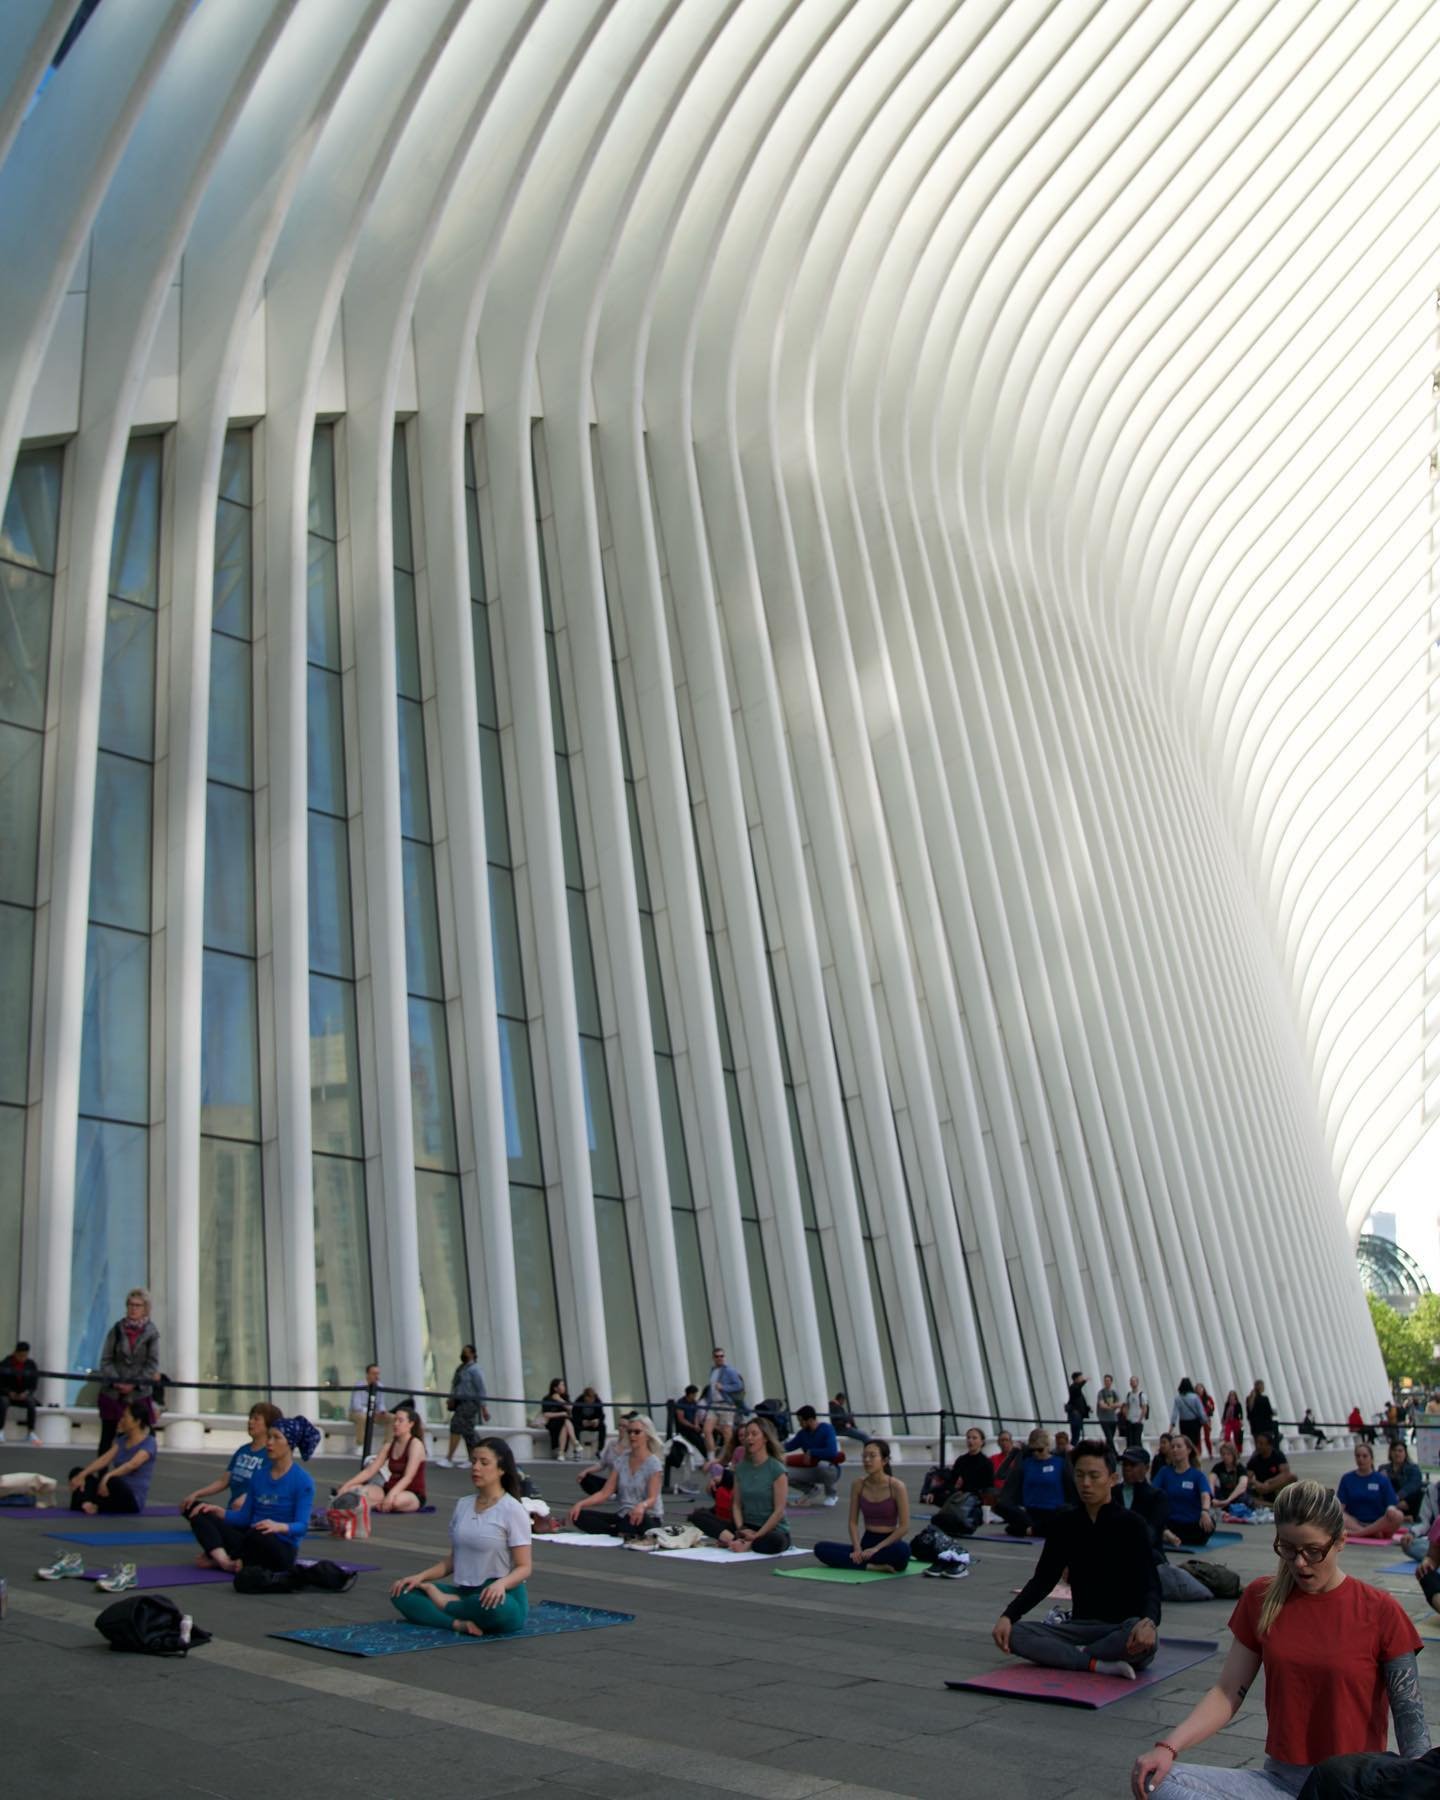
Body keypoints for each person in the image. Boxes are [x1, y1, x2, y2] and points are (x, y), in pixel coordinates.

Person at [1128, 1480, 1429, 1796]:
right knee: (1159, 1782)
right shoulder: (1262, 1597)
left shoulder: (1381, 1611)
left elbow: (1411, 1721)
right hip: (1281, 1783)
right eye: (1287, 1548)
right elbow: (1228, 1692)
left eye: (1313, 1551)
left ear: (1340, 1541)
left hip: (1349, 1788)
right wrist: (1168, 1747)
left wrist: (1417, 1787)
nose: (1299, 1563)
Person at [995, 1440, 1160, 1678]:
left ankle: (1070, 1655)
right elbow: (1043, 1579)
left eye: (1094, 1476)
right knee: (1016, 1633)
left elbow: (1151, 1585)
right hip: (1079, 1627)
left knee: (1142, 1640)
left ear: (1112, 1479)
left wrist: (1149, 1623)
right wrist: (1008, 1616)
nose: (1086, 1483)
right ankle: (1095, 1663)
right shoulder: (1065, 1523)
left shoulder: (1132, 1525)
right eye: (1080, 1475)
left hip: (1121, 1628)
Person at [390, 1437, 531, 1636]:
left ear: (501, 1469)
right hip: (465, 1594)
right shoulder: (463, 1504)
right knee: (402, 1591)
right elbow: (453, 1560)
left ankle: (445, 1605)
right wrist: (419, 1577)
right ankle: (457, 1623)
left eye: (484, 1463)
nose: (476, 1468)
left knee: (498, 1608)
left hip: (500, 1595)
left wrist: (501, 1584)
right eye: (473, 1461)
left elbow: (524, 1567)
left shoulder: (513, 1510)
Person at [187, 1420, 316, 1572]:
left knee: (258, 1533)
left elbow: (302, 1526)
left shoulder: (303, 1480)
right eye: (268, 1437)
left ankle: (227, 1559)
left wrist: (277, 1527)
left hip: (279, 1547)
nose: (269, 1442)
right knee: (199, 1512)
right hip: (251, 1538)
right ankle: (224, 1562)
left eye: (276, 1437)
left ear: (290, 1444)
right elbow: (245, 1518)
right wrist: (220, 1512)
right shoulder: (260, 1475)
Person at [1118, 1444, 1214, 1604]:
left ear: (1146, 1468)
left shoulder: (1157, 1496)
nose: (1127, 1469)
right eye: (1125, 1465)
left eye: (1133, 1465)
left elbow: (1151, 1533)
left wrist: (1205, 1511)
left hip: (1147, 1554)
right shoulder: (1114, 1492)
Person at [691, 1416, 790, 1555]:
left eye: (754, 1434)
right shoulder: (741, 1468)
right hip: (746, 1525)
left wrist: (756, 1535)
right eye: (747, 1434)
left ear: (766, 1438)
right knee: (698, 1516)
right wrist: (741, 1529)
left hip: (772, 1530)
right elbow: (736, 1505)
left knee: (776, 1542)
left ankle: (746, 1543)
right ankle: (737, 1540)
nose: (749, 1438)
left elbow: (779, 1511)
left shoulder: (777, 1469)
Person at [815, 1438, 910, 1571]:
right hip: (867, 1541)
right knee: (821, 1548)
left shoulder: (897, 1486)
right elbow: (853, 1522)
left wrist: (876, 1549)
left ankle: (860, 1563)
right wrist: (857, 1548)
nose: (867, 1460)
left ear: (884, 1460)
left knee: (903, 1551)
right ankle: (871, 1566)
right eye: (864, 1456)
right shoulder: (858, 1484)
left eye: (872, 1456)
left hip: (888, 1544)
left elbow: (904, 1527)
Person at [569, 1415, 664, 1538]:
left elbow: (652, 1499)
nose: (632, 1436)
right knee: (579, 1516)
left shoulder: (654, 1463)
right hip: (623, 1515)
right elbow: (605, 1493)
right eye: (629, 1432)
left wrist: (641, 1506)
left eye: (637, 1432)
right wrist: (581, 1504)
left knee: (634, 1520)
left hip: (647, 1516)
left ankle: (621, 1531)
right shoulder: (622, 1460)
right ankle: (617, 1532)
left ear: (647, 1435)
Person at [180, 1402, 283, 1514]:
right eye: (250, 1418)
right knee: (191, 1507)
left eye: (256, 1419)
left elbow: (267, 1489)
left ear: (268, 1425)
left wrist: (247, 1499)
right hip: (233, 1510)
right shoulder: (243, 1450)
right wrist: (196, 1494)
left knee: (206, 1518)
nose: (250, 1422)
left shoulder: (271, 1455)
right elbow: (224, 1481)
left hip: (252, 1512)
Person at [94, 1287, 159, 1457]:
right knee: (107, 1438)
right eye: (130, 1304)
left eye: (138, 1305)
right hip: (113, 1393)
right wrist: (117, 1381)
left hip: (138, 1394)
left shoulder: (151, 1333)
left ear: (145, 1308)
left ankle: (133, 1475)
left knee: (144, 1436)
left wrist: (133, 1384)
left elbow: (152, 1364)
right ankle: (100, 1477)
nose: (133, 1309)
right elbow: (106, 1360)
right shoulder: (116, 1330)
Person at [333, 1403, 428, 1514]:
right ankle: (375, 1503)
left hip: (411, 1493)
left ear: (411, 1424)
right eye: (395, 1420)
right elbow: (370, 1471)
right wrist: (347, 1485)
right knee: (355, 1490)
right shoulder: (389, 1445)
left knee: (396, 1501)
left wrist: (391, 1496)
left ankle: (375, 1503)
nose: (396, 1424)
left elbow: (408, 1477)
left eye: (400, 1421)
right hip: (388, 1489)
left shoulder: (415, 1445)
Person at [68, 1398, 156, 1513]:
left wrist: (108, 1476)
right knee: (77, 1472)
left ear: (137, 1421)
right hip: (110, 1489)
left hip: (130, 1497)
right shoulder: (122, 1440)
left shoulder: (149, 1442)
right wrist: (83, 1474)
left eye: (125, 1417)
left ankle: (92, 1504)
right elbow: (105, 1459)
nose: (122, 1420)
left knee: (113, 1482)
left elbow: (132, 1465)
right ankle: (87, 1503)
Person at [994, 1427, 1077, 1537]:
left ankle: (1029, 1530)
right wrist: (1013, 1453)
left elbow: (1076, 1480)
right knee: (1000, 1505)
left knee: (1067, 1513)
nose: (1036, 1453)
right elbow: (1001, 1474)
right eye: (1033, 1450)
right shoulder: (1026, 1462)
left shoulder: (1060, 1462)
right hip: (1031, 1511)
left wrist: (1075, 1453)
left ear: (1048, 1447)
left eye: (1040, 1449)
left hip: (1054, 1511)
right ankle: (1035, 1529)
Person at [933, 1425, 997, 1533]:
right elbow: (951, 1480)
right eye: (968, 1438)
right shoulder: (962, 1460)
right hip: (962, 1495)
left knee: (962, 1518)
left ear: (982, 1442)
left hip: (975, 1499)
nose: (970, 1441)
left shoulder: (986, 1462)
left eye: (974, 1438)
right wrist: (933, 1492)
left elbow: (988, 1486)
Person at [1154, 1432, 1215, 1546]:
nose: (1175, 1450)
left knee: (1210, 1524)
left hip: (1191, 1524)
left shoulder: (1197, 1475)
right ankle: (1166, 1534)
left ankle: (1169, 1537)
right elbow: (1152, 1493)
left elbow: (1205, 1495)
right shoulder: (1164, 1472)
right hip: (1170, 1522)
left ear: (1188, 1450)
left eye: (1179, 1446)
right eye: (1172, 1447)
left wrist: (1205, 1511)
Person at [1336, 1442, 1404, 1540]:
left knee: (1398, 1515)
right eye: (1358, 1456)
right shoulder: (1347, 1478)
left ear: (1371, 1458)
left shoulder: (1381, 1479)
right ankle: (1368, 1533)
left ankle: (1359, 1533)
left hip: (1379, 1522)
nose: (1361, 1459)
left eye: (1364, 1456)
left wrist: (1391, 1510)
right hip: (1354, 1522)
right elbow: (1341, 1505)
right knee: (1336, 1514)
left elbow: (1391, 1503)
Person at [784, 1403, 843, 1506]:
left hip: (830, 1470)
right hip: (812, 1470)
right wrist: (769, 1446)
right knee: (784, 1473)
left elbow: (832, 1452)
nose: (800, 1424)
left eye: (801, 1421)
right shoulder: (802, 1434)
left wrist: (811, 1451)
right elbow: (788, 1447)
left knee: (823, 1465)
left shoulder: (827, 1429)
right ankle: (811, 1490)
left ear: (810, 1420)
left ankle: (831, 1495)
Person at [439, 1345, 488, 1467]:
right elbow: (456, 1386)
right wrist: (451, 1398)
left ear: (472, 1354)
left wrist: (484, 1408)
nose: (463, 1354)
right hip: (460, 1402)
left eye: (465, 1352)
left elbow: (481, 1389)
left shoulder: (475, 1370)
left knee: (456, 1425)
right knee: (468, 1431)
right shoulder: (461, 1369)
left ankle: (449, 1458)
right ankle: (475, 1458)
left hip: (470, 1402)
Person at [701, 1347, 746, 1454]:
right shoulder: (713, 1370)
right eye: (717, 1356)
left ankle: (728, 1458)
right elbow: (711, 1388)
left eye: (722, 1356)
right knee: (707, 1430)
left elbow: (739, 1385)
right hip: (714, 1404)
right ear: (713, 1358)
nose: (720, 1358)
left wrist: (724, 1387)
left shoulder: (729, 1370)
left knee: (727, 1432)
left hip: (726, 1404)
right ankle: (712, 1456)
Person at [663, 1385, 706, 1492]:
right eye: (694, 1394)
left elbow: (695, 1415)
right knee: (697, 1441)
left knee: (700, 1439)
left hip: (692, 1428)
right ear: (689, 1394)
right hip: (684, 1429)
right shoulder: (681, 1403)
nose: (695, 1396)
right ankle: (706, 1459)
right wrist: (692, 1426)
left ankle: (706, 1458)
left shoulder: (694, 1403)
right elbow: (681, 1419)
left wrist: (696, 1425)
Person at [0, 1339, 40, 1443]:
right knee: (3, 1402)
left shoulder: (31, 1365)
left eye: (25, 1355)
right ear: (15, 1353)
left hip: (23, 1395)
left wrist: (26, 1393)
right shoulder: (6, 1363)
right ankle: (0, 1430)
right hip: (8, 1394)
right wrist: (9, 1392)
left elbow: (33, 1384)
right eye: (20, 1355)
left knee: (31, 1402)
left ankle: (30, 1432)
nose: (22, 1358)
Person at [348, 1363, 390, 1456]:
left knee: (392, 1417)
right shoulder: (360, 1385)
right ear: (368, 1374)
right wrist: (370, 1411)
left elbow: (381, 1403)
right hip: (357, 1413)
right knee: (363, 1417)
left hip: (373, 1413)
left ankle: (387, 1447)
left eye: (378, 1374)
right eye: (374, 1373)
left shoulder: (380, 1386)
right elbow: (356, 1406)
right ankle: (360, 1445)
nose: (377, 1376)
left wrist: (382, 1411)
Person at [1248, 1432, 1295, 1505]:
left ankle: (1272, 1502)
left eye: (1261, 1444)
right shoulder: (1254, 1459)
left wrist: (1270, 1482)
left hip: (1276, 1486)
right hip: (1261, 1487)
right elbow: (1248, 1477)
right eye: (1257, 1443)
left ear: (1269, 1445)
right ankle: (1271, 1505)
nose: (1258, 1446)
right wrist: (1256, 1483)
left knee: (1292, 1476)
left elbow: (1286, 1473)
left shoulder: (1278, 1455)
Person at [1211, 1439, 1252, 1518]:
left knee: (1243, 1497)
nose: (1225, 1457)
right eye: (1223, 1454)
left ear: (1233, 1455)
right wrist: (1211, 1498)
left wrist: (1228, 1500)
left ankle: (1228, 1507)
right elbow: (1211, 1482)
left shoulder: (1240, 1468)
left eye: (1228, 1454)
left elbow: (1242, 1486)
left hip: (1236, 1495)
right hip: (1223, 1494)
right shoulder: (1218, 1467)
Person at [1385, 1442, 1423, 1522]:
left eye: (1400, 1451)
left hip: (1405, 1500)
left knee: (1417, 1492)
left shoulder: (1413, 1468)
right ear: (1390, 1452)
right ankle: (1401, 1517)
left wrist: (1397, 1497)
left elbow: (1413, 1486)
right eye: (1394, 1450)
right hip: (1389, 1500)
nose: (1397, 1453)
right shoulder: (1383, 1469)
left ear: (1405, 1453)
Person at [540, 1377, 577, 1459]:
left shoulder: (565, 1397)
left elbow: (571, 1408)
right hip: (552, 1422)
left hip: (564, 1422)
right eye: (562, 1385)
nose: (564, 1387)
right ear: (555, 1388)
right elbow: (546, 1414)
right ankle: (574, 1442)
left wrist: (560, 1400)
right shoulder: (547, 1399)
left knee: (565, 1422)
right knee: (565, 1421)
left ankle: (561, 1452)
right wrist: (562, 1413)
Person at [1172, 1378, 1208, 1453]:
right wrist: (1205, 1420)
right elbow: (1201, 1411)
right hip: (1194, 1423)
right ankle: (1195, 1455)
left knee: (1185, 1441)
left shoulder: (1178, 1398)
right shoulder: (1195, 1397)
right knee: (1195, 1441)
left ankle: (1187, 1455)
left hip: (1183, 1423)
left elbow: (1175, 1413)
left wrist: (1172, 1423)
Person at [571, 1386, 607, 1456]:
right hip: (582, 1423)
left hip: (593, 1423)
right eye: (587, 1400)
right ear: (585, 1397)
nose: (590, 1402)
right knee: (575, 1427)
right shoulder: (579, 1401)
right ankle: (577, 1450)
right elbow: (574, 1415)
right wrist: (581, 1421)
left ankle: (600, 1450)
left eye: (591, 1400)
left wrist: (598, 1420)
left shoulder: (597, 1401)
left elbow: (602, 1415)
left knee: (603, 1427)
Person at [1247, 1379, 1278, 1449]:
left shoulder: (1249, 1399)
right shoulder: (1265, 1399)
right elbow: (1269, 1412)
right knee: (1268, 1446)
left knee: (1258, 1447)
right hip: (1266, 1427)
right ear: (1261, 1387)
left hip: (1255, 1428)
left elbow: (1249, 1413)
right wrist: (1274, 1412)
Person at [1122, 1375, 1149, 1451]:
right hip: (1130, 1420)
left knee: (1137, 1440)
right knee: (1130, 1441)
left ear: (1137, 1382)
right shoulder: (1129, 1395)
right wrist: (1126, 1416)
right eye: (1131, 1381)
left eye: (1134, 1381)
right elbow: (1126, 1406)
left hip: (1138, 1421)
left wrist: (1140, 1419)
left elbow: (1144, 1408)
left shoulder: (1141, 1395)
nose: (1132, 1383)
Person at [1096, 1375, 1122, 1448]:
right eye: (1105, 1381)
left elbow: (1119, 1404)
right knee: (1109, 1437)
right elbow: (1101, 1405)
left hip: (1113, 1418)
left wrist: (1109, 1406)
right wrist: (1112, 1406)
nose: (1106, 1382)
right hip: (1104, 1419)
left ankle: (1107, 1452)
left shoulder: (1114, 1392)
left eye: (1108, 1381)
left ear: (1111, 1382)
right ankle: (1114, 1453)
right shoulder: (1101, 1393)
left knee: (1110, 1438)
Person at [1066, 1371, 1091, 1445]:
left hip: (1079, 1415)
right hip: (1075, 1415)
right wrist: (1085, 1381)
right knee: (1075, 1435)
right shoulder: (1073, 1387)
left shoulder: (1077, 1389)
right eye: (1080, 1378)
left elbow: (1080, 1402)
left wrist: (1087, 1408)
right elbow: (1077, 1388)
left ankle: (1074, 1447)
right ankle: (1072, 1448)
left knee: (1077, 1434)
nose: (1082, 1379)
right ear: (1076, 1379)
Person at [1197, 1384, 1216, 1456]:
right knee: (1197, 1437)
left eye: (1200, 1388)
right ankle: (1199, 1453)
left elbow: (1212, 1407)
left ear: (1203, 1389)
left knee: (1207, 1437)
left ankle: (1210, 1452)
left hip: (1206, 1419)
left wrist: (1209, 1407)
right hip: (1198, 1419)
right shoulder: (1195, 1398)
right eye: (1197, 1389)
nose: (1199, 1390)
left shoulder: (1208, 1398)